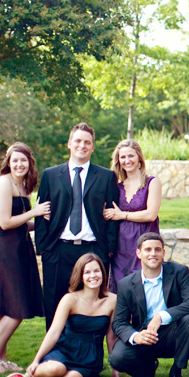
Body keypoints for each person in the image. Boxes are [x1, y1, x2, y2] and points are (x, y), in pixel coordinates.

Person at [0, 143, 50, 373]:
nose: (19, 164)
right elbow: (5, 222)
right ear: (8, 162)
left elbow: (21, 223)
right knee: (18, 307)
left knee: (1, 306)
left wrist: (41, 222)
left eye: (23, 160)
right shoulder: (4, 183)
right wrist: (34, 212)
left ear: (29, 163)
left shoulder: (21, 185)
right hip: (3, 251)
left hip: (18, 249)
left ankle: (0, 359)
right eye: (15, 160)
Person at [35, 122, 119, 331]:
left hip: (93, 250)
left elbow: (112, 215)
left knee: (91, 306)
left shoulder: (106, 176)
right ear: (69, 144)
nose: (82, 145)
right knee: (54, 302)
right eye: (78, 141)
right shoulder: (50, 175)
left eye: (87, 142)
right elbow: (40, 211)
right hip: (58, 249)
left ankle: (88, 354)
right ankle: (53, 353)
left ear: (92, 147)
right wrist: (44, 248)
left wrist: (108, 249)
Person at [0, 253, 117, 377]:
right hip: (66, 349)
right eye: (87, 272)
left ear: (103, 273)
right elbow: (54, 332)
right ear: (81, 276)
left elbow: (111, 337)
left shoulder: (112, 300)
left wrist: (115, 367)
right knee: (55, 369)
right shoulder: (70, 299)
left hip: (90, 356)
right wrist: (36, 360)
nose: (93, 276)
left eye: (96, 271)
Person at [108, 232, 189, 377]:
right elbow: (119, 322)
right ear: (139, 254)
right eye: (148, 250)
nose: (153, 253)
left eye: (157, 249)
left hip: (173, 333)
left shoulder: (178, 272)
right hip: (144, 335)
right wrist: (135, 336)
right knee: (117, 358)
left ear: (163, 253)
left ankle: (176, 370)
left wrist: (161, 316)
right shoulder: (126, 284)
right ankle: (147, 372)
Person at [103, 139, 161, 291]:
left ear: (139, 158)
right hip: (120, 245)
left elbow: (151, 214)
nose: (127, 160)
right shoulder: (116, 186)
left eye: (131, 156)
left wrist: (122, 215)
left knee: (143, 286)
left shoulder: (152, 182)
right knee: (120, 287)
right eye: (122, 157)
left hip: (144, 241)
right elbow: (109, 212)